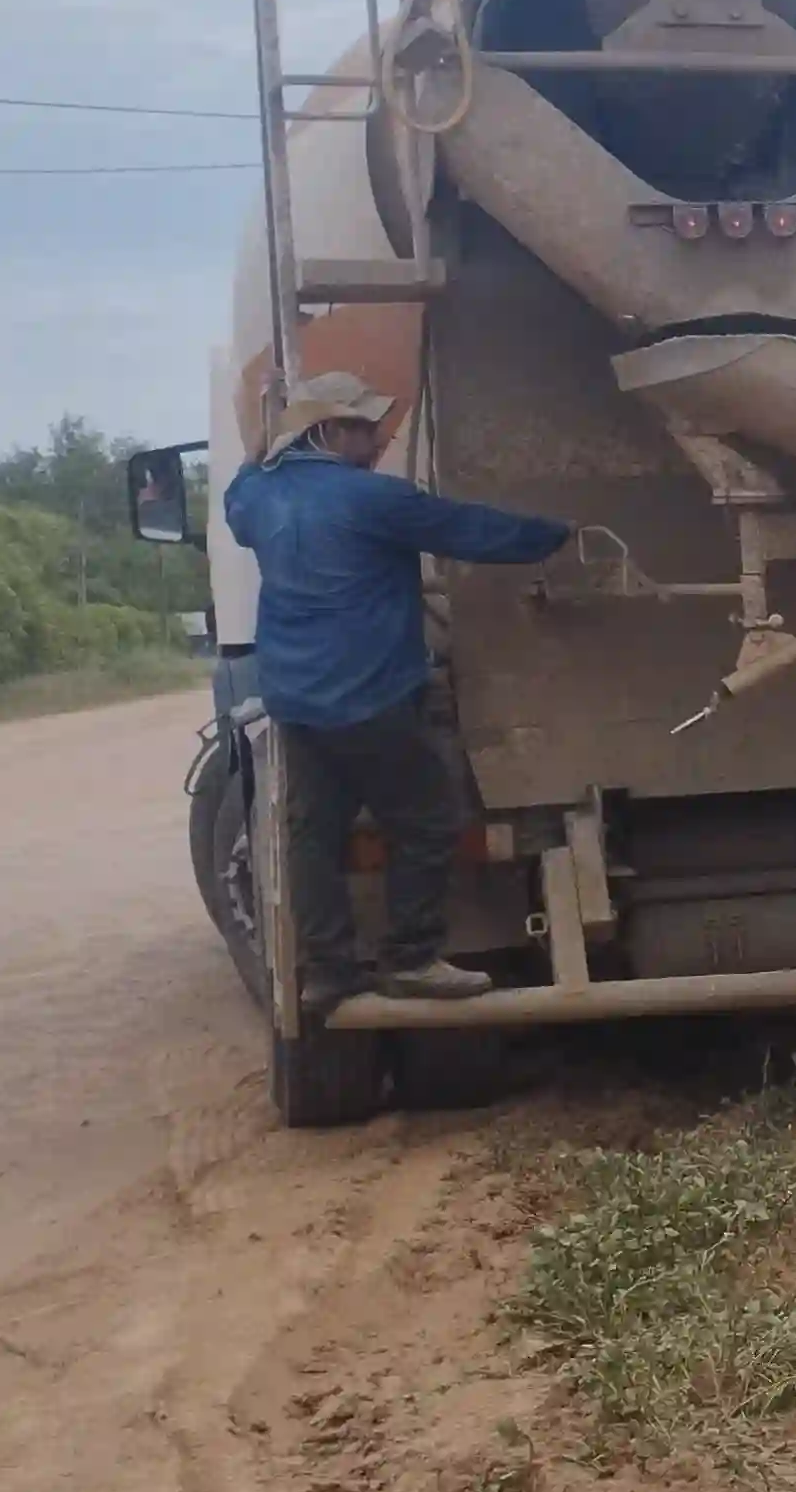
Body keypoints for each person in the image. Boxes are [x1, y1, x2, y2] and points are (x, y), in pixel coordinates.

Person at [220, 370, 573, 1011]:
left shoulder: (260, 498)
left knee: (313, 836)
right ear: (326, 430)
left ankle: (328, 971)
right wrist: (556, 534)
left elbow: (236, 499)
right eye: (361, 426)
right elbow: (467, 529)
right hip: (369, 697)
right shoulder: (372, 500)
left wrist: (257, 443)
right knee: (427, 817)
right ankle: (411, 959)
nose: (376, 437)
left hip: (295, 701)